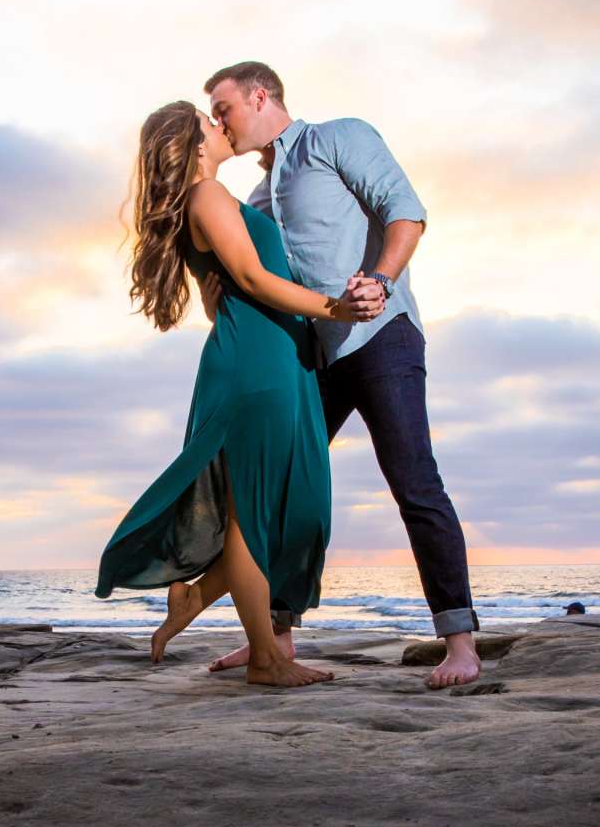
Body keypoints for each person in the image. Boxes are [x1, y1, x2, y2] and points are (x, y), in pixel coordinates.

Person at [200, 62, 484, 690]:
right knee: (279, 490)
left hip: (381, 338)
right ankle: (273, 644)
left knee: (413, 480)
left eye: (223, 108)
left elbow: (406, 209)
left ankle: (460, 643)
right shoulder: (254, 198)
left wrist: (381, 280)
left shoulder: (337, 138)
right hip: (312, 359)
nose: (219, 122)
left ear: (260, 94)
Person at [94, 102, 383, 688]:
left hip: (272, 358)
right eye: (209, 121)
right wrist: (336, 308)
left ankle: (198, 599)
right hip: (257, 366)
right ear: (194, 144)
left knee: (281, 507)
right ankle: (266, 659)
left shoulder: (212, 204)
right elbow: (251, 280)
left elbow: (223, 295)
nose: (220, 125)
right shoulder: (207, 199)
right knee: (253, 511)